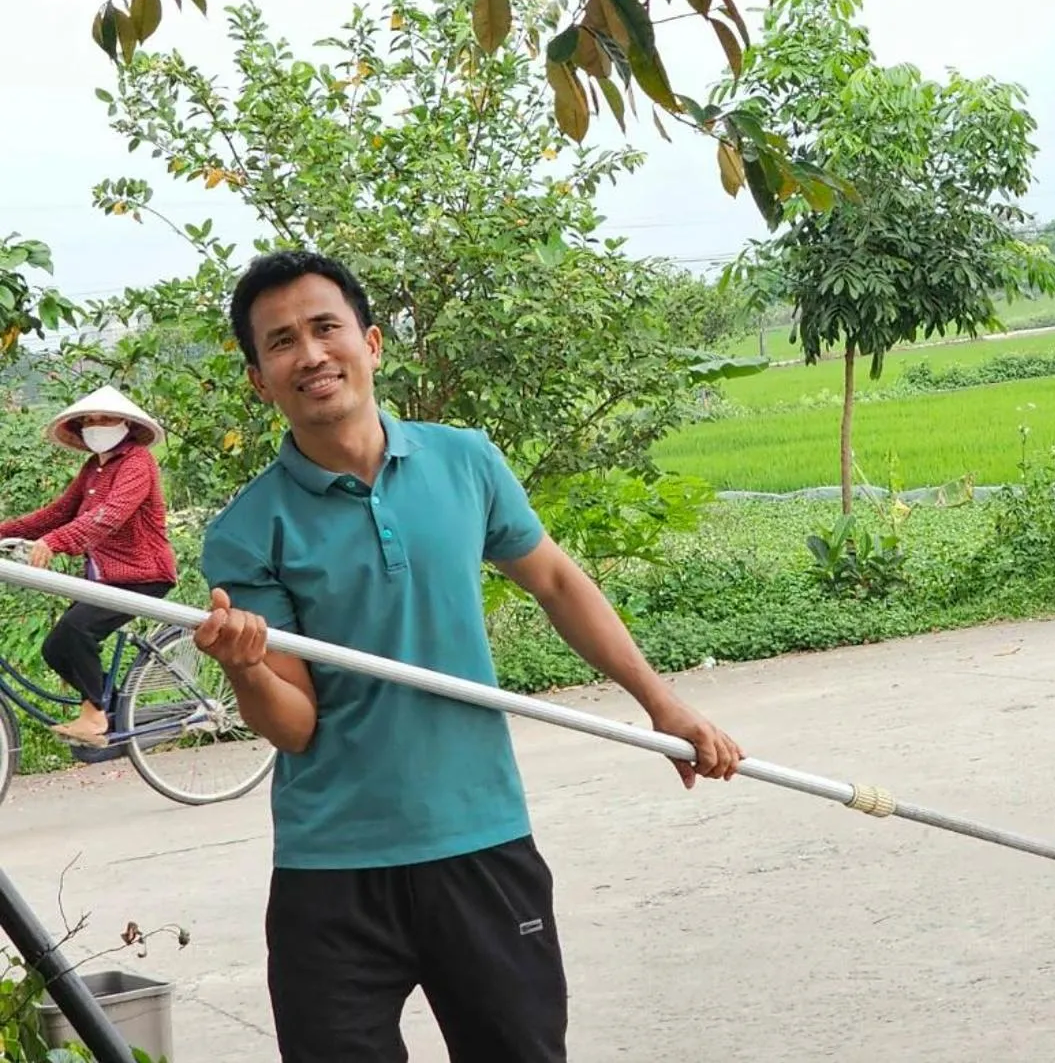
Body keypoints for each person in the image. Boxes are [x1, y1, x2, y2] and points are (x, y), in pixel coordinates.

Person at [196, 249, 743, 1063]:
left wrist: (663, 703)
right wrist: (245, 665)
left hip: (480, 843)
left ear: (371, 343)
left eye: (325, 328)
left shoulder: (466, 461)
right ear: (259, 379)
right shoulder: (248, 530)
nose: (309, 355)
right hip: (332, 870)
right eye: (281, 343)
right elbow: (297, 727)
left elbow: (555, 580)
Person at [0, 384, 177, 744]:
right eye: (90, 420)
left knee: (75, 632)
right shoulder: (92, 469)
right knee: (55, 646)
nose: (97, 425)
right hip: (106, 578)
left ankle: (95, 718)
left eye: (106, 418)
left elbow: (109, 516)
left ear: (127, 425)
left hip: (143, 575)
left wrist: (55, 542)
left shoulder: (137, 462)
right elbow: (58, 513)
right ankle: (102, 716)